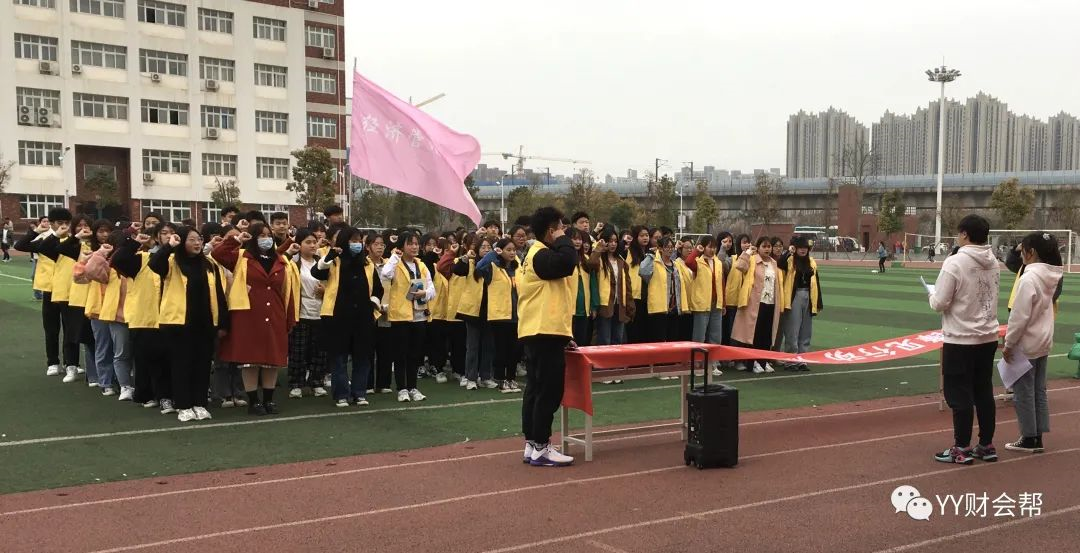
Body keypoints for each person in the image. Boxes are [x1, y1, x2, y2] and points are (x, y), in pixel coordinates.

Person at [928, 214, 1000, 465]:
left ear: (965, 234)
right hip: (987, 336)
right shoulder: (993, 261)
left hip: (961, 338)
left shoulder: (955, 262)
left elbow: (939, 302)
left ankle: (961, 447)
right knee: (983, 391)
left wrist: (931, 295)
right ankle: (986, 444)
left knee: (959, 394)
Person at [150, 226, 229, 422]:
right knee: (181, 365)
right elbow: (154, 264)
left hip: (205, 323)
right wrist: (169, 246)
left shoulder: (209, 264)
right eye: (192, 239)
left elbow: (219, 293)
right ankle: (183, 405)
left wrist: (222, 323)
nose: (197, 243)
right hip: (178, 323)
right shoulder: (171, 261)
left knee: (202, 365)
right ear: (182, 241)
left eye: (199, 239)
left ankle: (199, 403)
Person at [518, 206, 578, 467]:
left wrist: (565, 335)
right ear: (551, 230)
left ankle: (533, 443)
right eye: (560, 227)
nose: (565, 232)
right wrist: (562, 237)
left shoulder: (536, 255)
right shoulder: (540, 254)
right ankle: (541, 445)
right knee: (548, 390)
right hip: (543, 330)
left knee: (535, 388)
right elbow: (568, 261)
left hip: (541, 329)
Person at [1002, 232, 1063, 453]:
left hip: (1027, 342)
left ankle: (1029, 437)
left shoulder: (1029, 278)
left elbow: (1019, 317)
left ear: (1031, 252)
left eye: (1024, 250)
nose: (1021, 254)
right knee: (1038, 390)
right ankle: (1037, 435)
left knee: (1023, 392)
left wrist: (1009, 344)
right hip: (1043, 339)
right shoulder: (1053, 274)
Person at [313, 227, 382, 407]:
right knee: (339, 357)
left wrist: (373, 304)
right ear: (344, 241)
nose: (356, 244)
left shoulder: (367, 263)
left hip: (363, 317)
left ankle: (359, 393)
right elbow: (317, 272)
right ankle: (341, 394)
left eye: (359, 240)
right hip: (338, 316)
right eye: (352, 240)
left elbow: (378, 289)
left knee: (362, 357)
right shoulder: (334, 261)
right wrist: (330, 255)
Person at [112, 223, 176, 412]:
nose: (169, 236)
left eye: (173, 233)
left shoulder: (178, 260)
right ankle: (146, 394)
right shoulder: (141, 258)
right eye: (164, 233)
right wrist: (134, 242)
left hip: (170, 318)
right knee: (144, 360)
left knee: (167, 361)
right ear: (156, 238)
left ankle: (165, 396)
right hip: (144, 318)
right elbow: (118, 261)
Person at [380, 231, 436, 402]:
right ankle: (402, 388)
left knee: (415, 354)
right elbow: (385, 274)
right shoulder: (395, 263)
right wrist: (394, 257)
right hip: (401, 316)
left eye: (416, 243)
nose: (414, 247)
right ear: (402, 246)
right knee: (400, 354)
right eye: (410, 243)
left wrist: (424, 293)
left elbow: (432, 289)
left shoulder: (422, 265)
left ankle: (413, 387)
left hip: (419, 315)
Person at [731, 237, 785, 374]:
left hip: (770, 303)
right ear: (758, 248)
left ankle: (763, 361)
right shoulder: (752, 260)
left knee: (767, 334)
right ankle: (753, 362)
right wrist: (748, 252)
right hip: (755, 303)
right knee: (754, 334)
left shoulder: (773, 263)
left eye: (769, 246)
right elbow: (739, 266)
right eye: (764, 246)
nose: (767, 249)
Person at [477, 237, 523, 393]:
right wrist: (492, 253)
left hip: (517, 315)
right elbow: (479, 267)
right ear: (500, 251)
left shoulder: (518, 268)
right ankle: (500, 379)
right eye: (508, 250)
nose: (512, 253)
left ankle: (511, 378)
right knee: (501, 349)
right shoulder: (493, 267)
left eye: (514, 250)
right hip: (500, 315)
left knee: (514, 350)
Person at [454, 236, 497, 390]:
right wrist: (466, 257)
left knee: (488, 346)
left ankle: (485, 376)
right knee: (472, 346)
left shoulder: (495, 264)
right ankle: (471, 377)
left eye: (489, 247)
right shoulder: (471, 263)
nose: (486, 250)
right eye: (483, 247)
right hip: (472, 311)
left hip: (490, 310)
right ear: (477, 249)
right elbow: (457, 270)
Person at [780, 236, 822, 372]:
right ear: (796, 248)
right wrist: (789, 251)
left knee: (806, 330)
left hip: (808, 296)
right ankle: (790, 360)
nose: (803, 250)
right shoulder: (790, 260)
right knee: (792, 329)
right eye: (800, 248)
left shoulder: (812, 262)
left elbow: (816, 282)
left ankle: (802, 359)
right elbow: (780, 263)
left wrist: (818, 302)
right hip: (794, 297)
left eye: (805, 248)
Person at [685, 235, 725, 376]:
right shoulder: (698, 261)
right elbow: (688, 262)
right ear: (704, 247)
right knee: (699, 336)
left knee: (716, 336)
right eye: (709, 247)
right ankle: (697, 364)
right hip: (702, 303)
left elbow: (721, 283)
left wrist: (723, 303)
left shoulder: (718, 262)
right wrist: (697, 250)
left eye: (714, 247)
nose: (712, 250)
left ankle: (712, 364)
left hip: (716, 303)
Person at [639, 237, 691, 343]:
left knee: (673, 339)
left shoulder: (676, 264)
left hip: (674, 307)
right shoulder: (654, 263)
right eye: (667, 247)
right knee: (659, 339)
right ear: (660, 248)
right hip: (659, 308)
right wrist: (651, 256)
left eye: (671, 247)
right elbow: (643, 272)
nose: (670, 249)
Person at [591, 227, 633, 347]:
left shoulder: (621, 261)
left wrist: (630, 304)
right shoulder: (600, 259)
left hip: (620, 305)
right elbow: (591, 264)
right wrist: (598, 249)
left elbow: (627, 285)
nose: (613, 244)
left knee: (617, 340)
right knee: (604, 340)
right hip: (605, 305)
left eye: (615, 241)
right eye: (610, 241)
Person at [569, 229, 599, 348]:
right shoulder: (565, 259)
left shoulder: (586, 259)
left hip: (584, 309)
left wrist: (594, 306)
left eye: (580, 239)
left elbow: (593, 284)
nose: (578, 242)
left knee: (582, 342)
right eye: (574, 239)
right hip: (569, 309)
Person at [625, 225, 651, 343]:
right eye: (642, 235)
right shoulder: (629, 251)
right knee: (634, 330)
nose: (645, 238)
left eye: (647, 235)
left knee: (645, 330)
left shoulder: (650, 252)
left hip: (648, 295)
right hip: (635, 295)